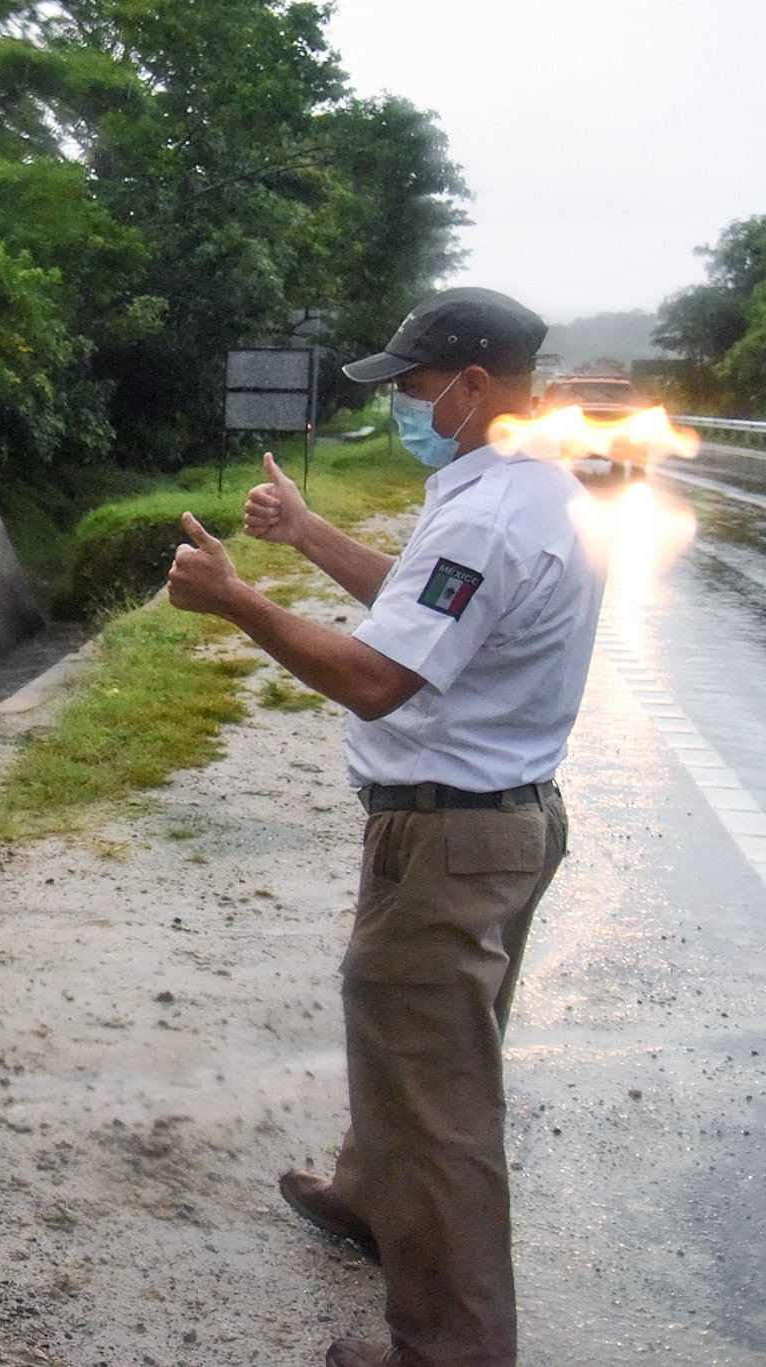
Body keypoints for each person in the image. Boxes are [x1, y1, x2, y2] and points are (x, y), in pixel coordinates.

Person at [164, 288, 605, 1367]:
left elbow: (377, 676)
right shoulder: (528, 491)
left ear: (467, 386)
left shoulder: (487, 512)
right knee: (406, 1031)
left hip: (450, 836)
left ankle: (448, 1347)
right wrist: (309, 535)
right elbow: (430, 618)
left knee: (433, 1092)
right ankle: (368, 1196)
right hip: (485, 822)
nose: (402, 405)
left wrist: (237, 602)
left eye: (410, 387)